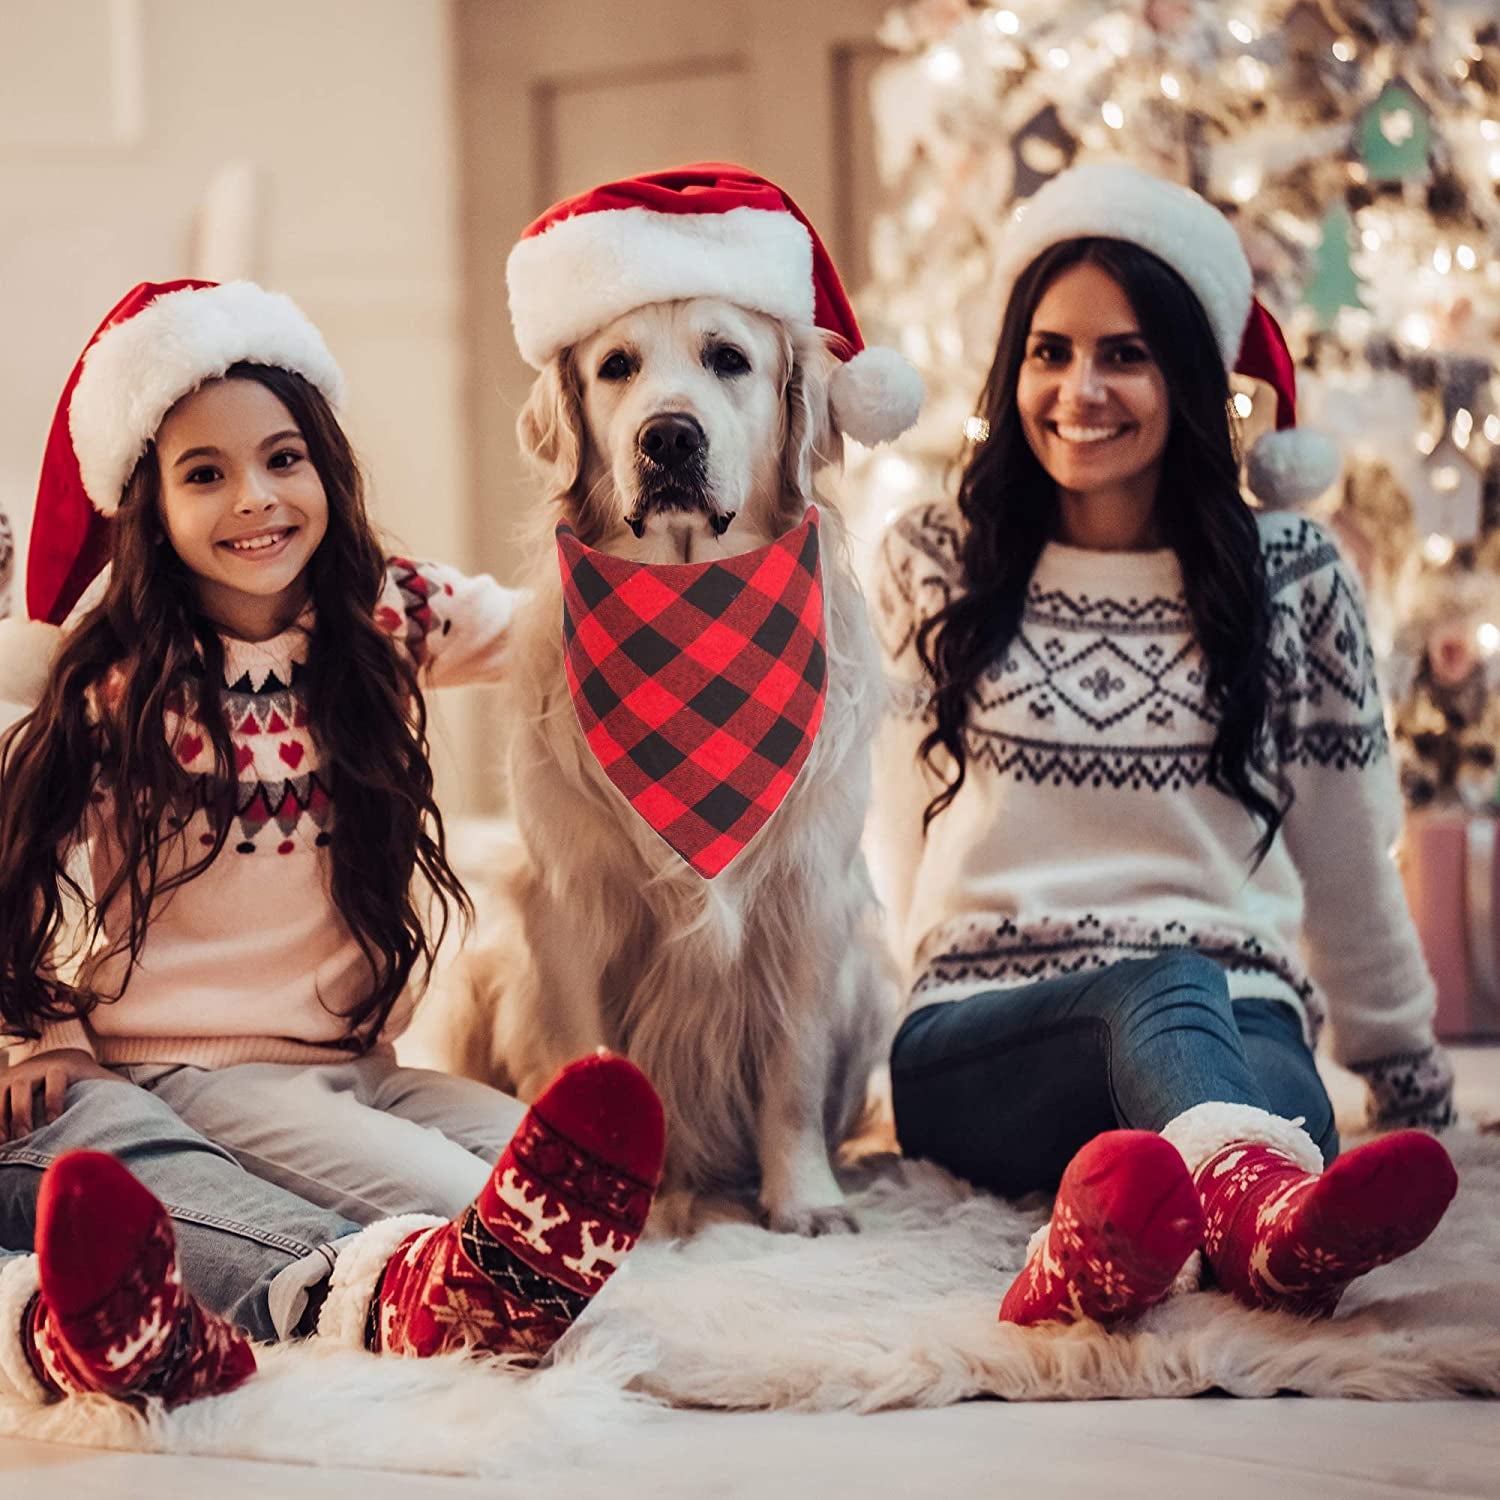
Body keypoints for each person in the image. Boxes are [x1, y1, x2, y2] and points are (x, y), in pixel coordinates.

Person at [0, 279, 665, 1402]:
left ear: (326, 467)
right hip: (197, 1072)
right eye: (205, 475)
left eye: (283, 458)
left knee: (596, 1203)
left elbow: (546, 624)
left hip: (365, 1066)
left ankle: (438, 1268)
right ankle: (375, 1292)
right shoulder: (122, 684)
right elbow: (19, 876)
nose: (255, 498)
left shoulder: (384, 619)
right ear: (149, 509)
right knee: (470, 1215)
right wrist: (48, 1036)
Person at [870, 162, 1457, 1330]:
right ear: (1014, 366)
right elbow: (876, 834)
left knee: (1283, 1105)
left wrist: (1405, 1070)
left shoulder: (1292, 575)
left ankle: (1117, 1241)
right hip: (987, 1037)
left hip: (1240, 1017)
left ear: (1189, 376)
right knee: (1170, 992)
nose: (1079, 389)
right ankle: (1255, 1218)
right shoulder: (934, 561)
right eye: (1050, 351)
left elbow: (1346, 850)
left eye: (1124, 354)